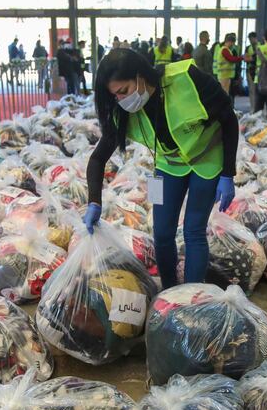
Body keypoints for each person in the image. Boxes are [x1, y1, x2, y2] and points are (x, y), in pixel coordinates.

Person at [83, 49, 238, 289]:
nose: (121, 100)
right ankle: (168, 292)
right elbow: (97, 159)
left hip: (207, 162)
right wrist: (94, 201)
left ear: (140, 76)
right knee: (162, 233)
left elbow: (229, 119)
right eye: (115, 96)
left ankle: (191, 299)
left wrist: (228, 173)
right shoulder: (124, 112)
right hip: (168, 165)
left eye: (123, 91)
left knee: (193, 231)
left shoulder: (188, 79)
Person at [244, 32, 259, 111]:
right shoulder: (248, 48)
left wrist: (251, 57)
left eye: (251, 39)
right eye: (249, 39)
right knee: (252, 90)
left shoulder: (261, 46)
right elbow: (246, 59)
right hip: (250, 71)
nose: (250, 40)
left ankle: (258, 108)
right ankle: (253, 108)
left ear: (255, 38)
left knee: (259, 91)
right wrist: (254, 57)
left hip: (259, 72)